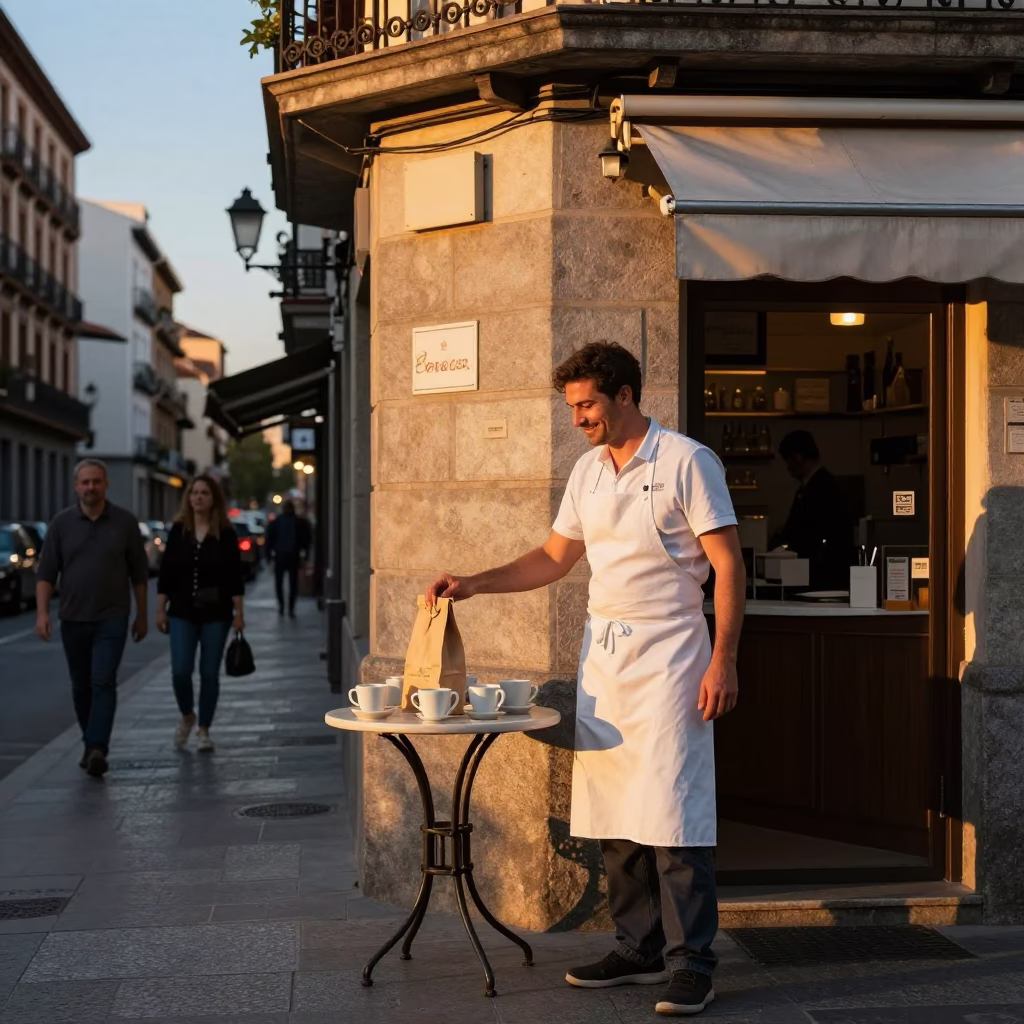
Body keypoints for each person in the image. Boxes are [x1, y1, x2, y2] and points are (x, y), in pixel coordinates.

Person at [426, 342, 745, 1017]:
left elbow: (728, 565)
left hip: (672, 657)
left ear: (625, 394)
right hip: (605, 659)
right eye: (572, 406)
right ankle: (638, 947)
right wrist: (473, 584)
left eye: (587, 404)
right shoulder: (588, 472)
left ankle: (693, 963)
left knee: (674, 812)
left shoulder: (687, 461)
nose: (578, 418)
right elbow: (552, 557)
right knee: (615, 813)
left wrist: (725, 658)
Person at [35, 459, 150, 778]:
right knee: (81, 686)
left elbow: (139, 574)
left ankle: (98, 745)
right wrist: (43, 613)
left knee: (103, 680)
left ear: (106, 484)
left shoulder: (125, 522)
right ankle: (90, 743)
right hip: (72, 617)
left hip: (112, 616)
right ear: (76, 486)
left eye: (96, 482)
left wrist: (142, 615)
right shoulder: (61, 524)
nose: (90, 487)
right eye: (85, 482)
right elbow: (46, 574)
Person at [156, 475, 245, 754]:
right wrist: (160, 608)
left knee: (209, 673)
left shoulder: (226, 533)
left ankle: (204, 729)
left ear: (213, 498)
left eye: (204, 493)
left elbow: (234, 576)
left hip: (216, 613)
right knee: (181, 671)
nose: (198, 497)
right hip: (181, 611)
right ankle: (187, 715)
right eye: (194, 492)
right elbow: (166, 572)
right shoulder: (179, 530)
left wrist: (239, 613)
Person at [772, 430, 853, 590]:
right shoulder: (822, 484)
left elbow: (807, 532)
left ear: (797, 458)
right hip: (822, 571)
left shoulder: (819, 488)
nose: (788, 468)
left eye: (788, 462)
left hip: (821, 574)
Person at [266, 499, 311, 617]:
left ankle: (284, 606)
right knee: (292, 583)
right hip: (291, 555)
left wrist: (269, 556)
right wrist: (305, 554)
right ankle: (289, 607)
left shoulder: (278, 522)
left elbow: (269, 539)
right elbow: (306, 540)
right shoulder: (298, 522)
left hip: (282, 555)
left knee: (282, 583)